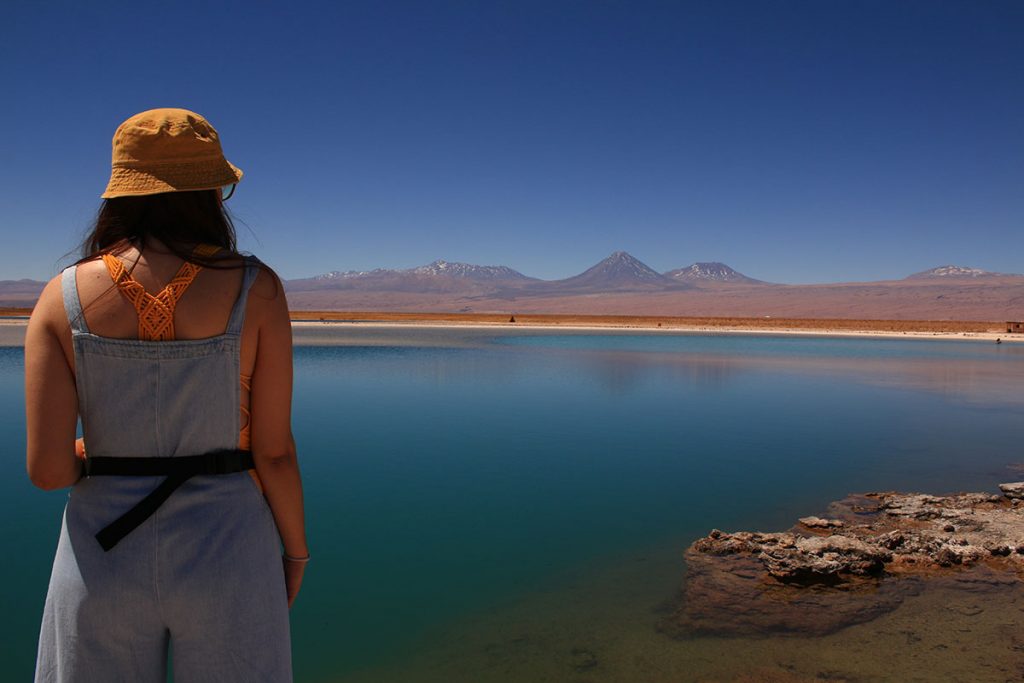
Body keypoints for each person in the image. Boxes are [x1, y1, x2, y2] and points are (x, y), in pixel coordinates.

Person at [25, 108, 308, 682]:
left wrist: (95, 453)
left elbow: (49, 472)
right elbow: (273, 452)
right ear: (212, 193)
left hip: (101, 558)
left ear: (120, 192)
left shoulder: (61, 298)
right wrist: (296, 554)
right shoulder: (258, 290)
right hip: (229, 550)